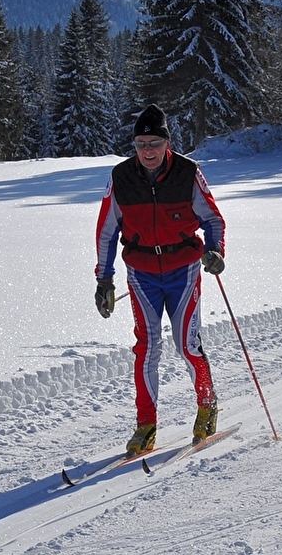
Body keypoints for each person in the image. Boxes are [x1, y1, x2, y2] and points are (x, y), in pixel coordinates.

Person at [93, 104, 227, 455]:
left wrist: (215, 251)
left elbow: (213, 220)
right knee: (146, 349)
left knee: (187, 345)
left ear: (167, 143)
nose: (147, 151)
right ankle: (146, 424)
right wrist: (103, 280)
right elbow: (107, 232)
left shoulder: (187, 172)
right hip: (141, 275)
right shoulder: (121, 177)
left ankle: (207, 405)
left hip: (183, 272)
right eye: (140, 143)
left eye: (154, 142)